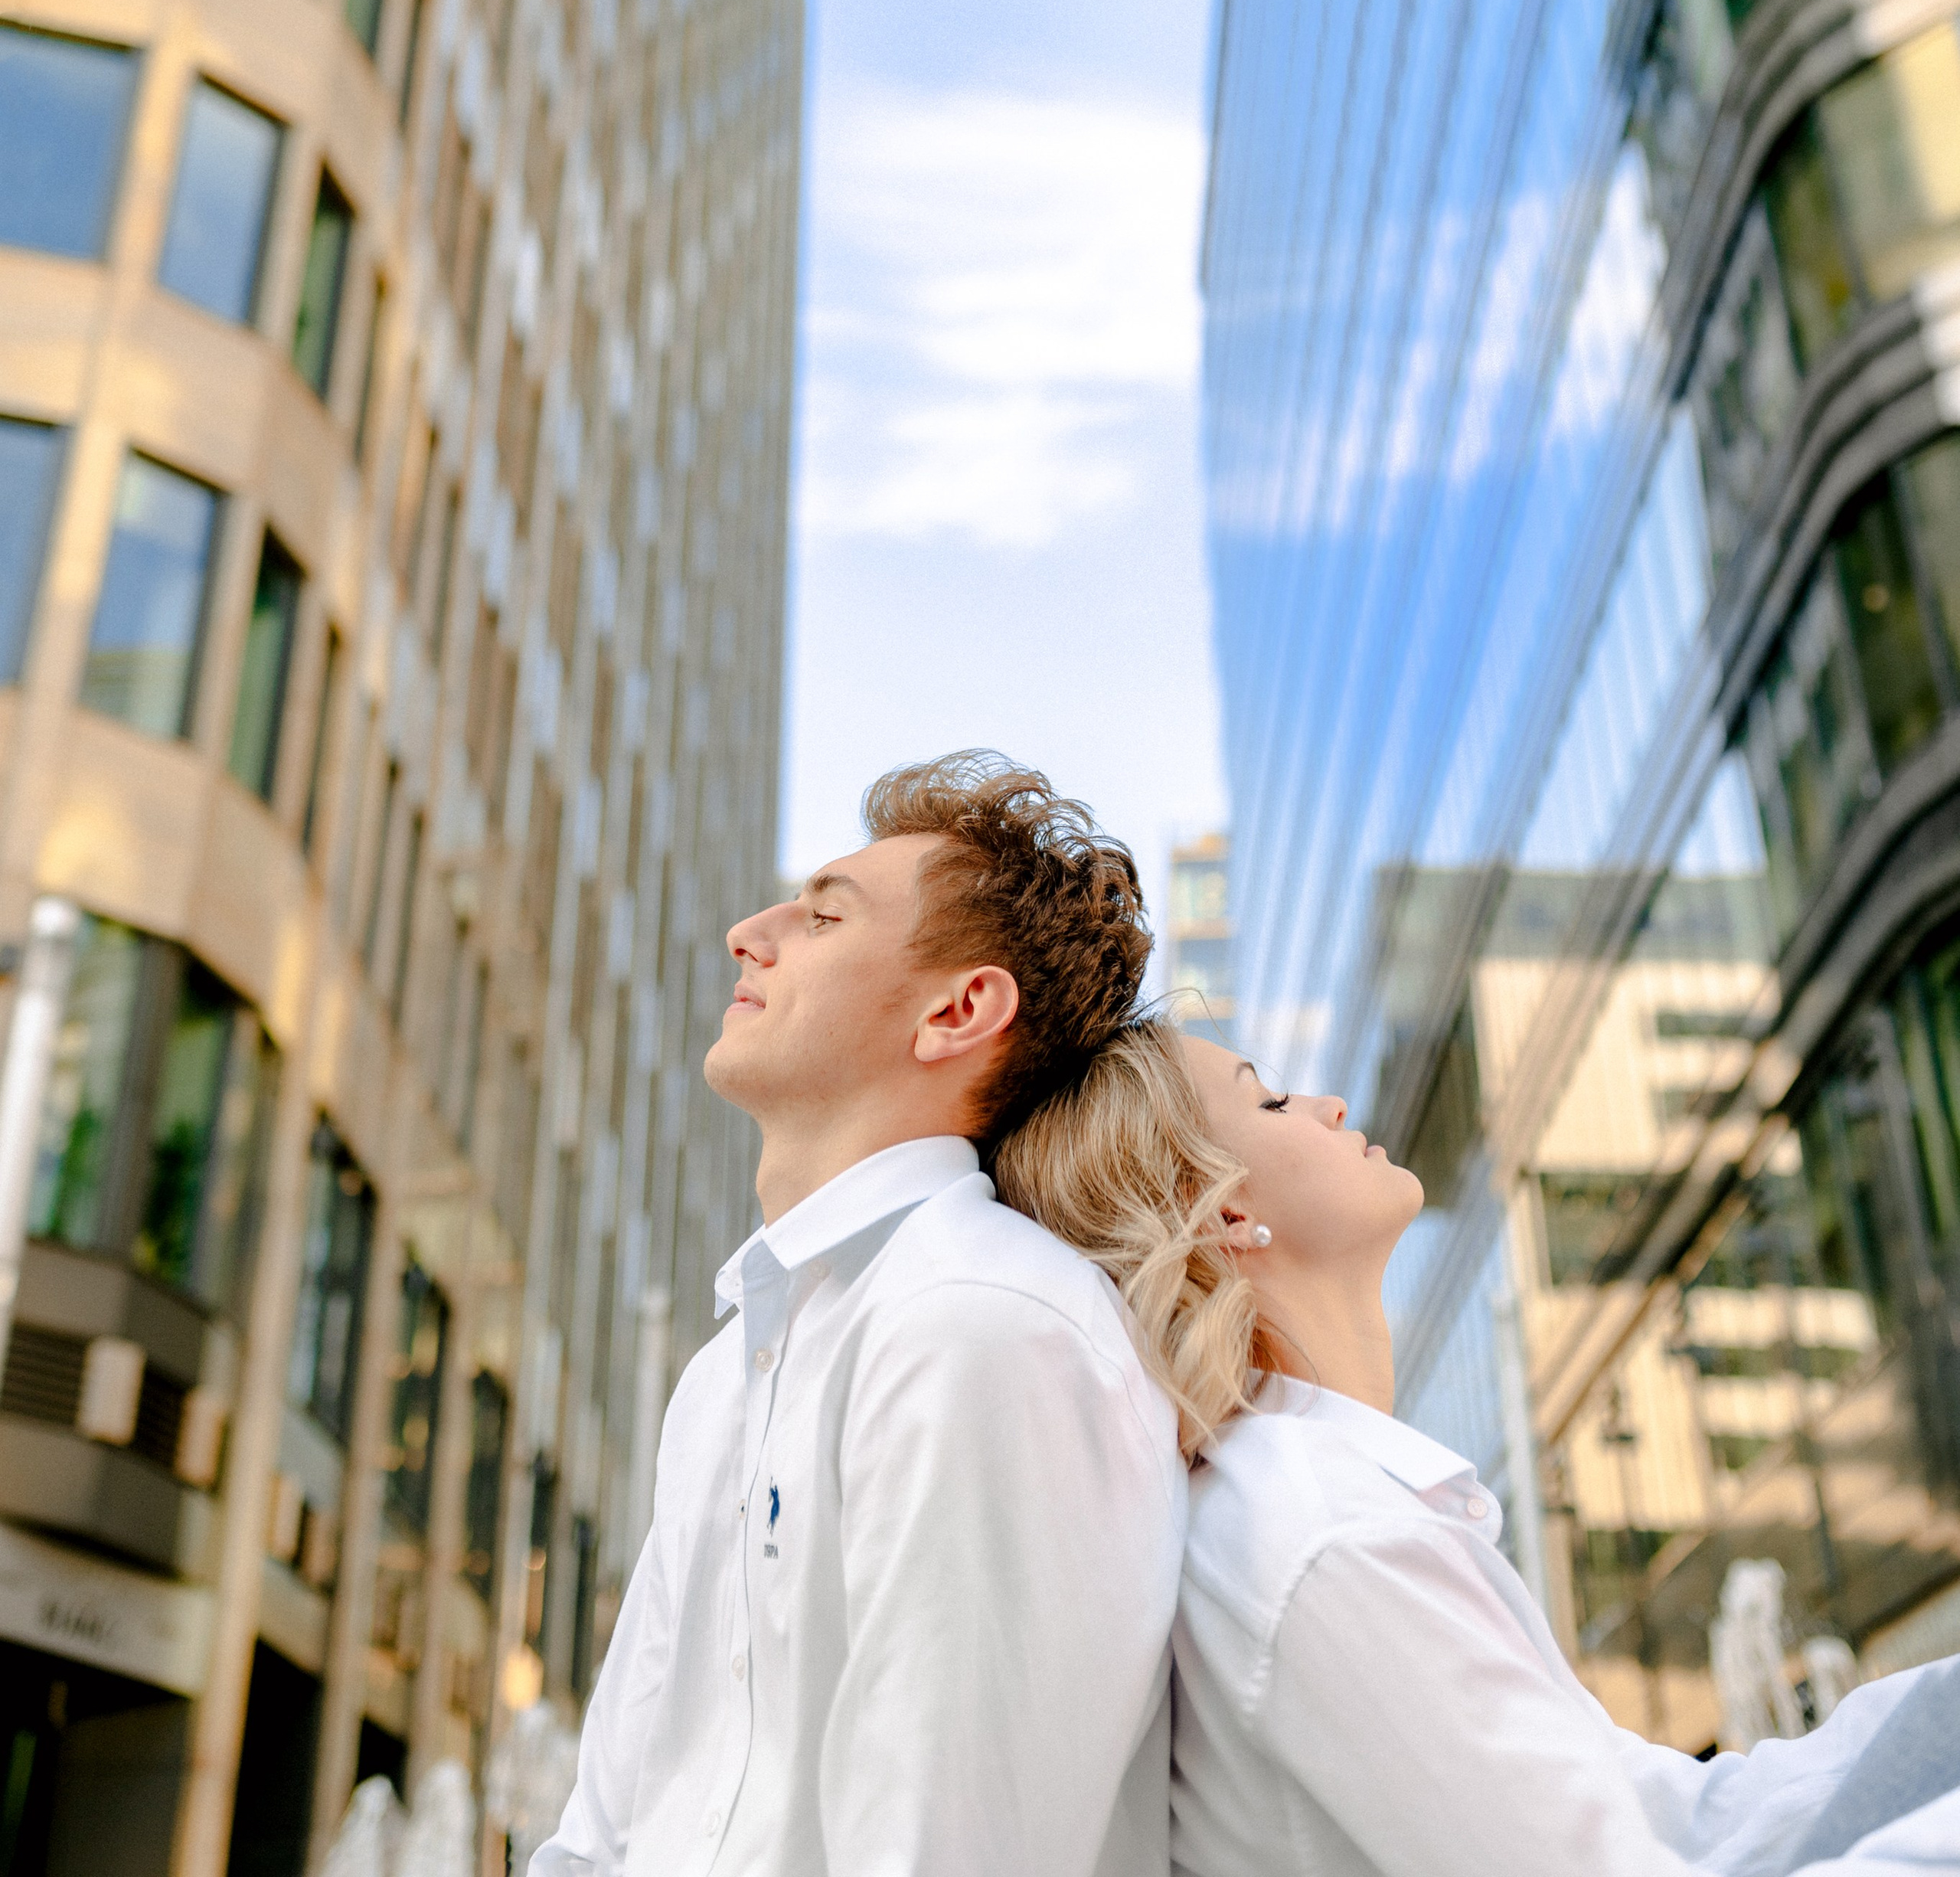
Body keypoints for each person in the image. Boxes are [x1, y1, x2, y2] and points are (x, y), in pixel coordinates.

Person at [993, 1019, 1960, 1877]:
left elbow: (1682, 1818)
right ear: (1222, 1210)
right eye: (1272, 1100)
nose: (1331, 1105)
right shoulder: (1320, 1533)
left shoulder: (1311, 1506)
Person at [531, 754, 1186, 1877]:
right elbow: (602, 1829)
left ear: (958, 1010)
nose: (749, 933)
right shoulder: (728, 1368)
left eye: (823, 916)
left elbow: (948, 1849)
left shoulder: (982, 1323)